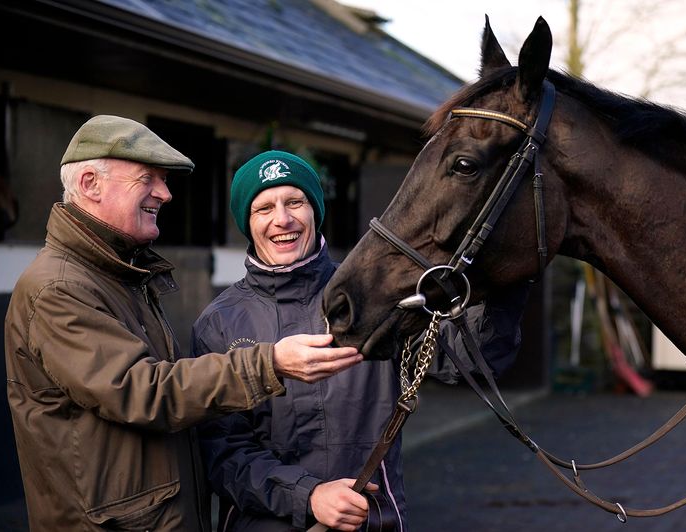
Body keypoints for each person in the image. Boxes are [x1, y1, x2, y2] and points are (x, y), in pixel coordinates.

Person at [4, 117, 362, 531]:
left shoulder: (117, 275)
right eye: (148, 178)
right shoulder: (59, 288)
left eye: (294, 202)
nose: (165, 193)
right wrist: (270, 364)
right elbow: (141, 390)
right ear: (90, 184)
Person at [192, 150, 527, 531]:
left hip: (371, 521)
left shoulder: (371, 296)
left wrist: (509, 280)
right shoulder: (219, 323)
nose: (282, 219)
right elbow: (220, 452)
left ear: (315, 210)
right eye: (263, 208)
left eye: (295, 202)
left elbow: (466, 361)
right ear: (246, 223)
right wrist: (309, 496)